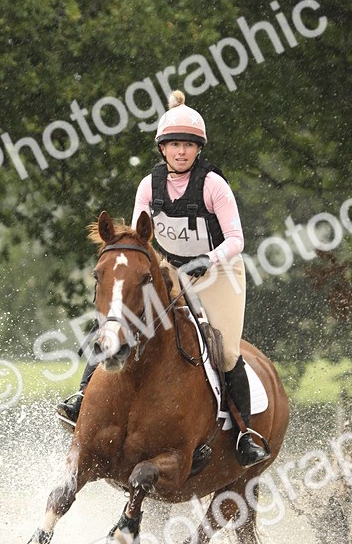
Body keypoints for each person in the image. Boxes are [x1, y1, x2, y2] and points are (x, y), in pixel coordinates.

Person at [58, 90, 269, 466]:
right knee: (120, 319)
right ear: (163, 149)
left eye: (188, 145)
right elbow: (139, 240)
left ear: (198, 149)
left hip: (219, 271)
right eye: (174, 145)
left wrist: (207, 259)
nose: (181, 152)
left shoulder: (213, 185)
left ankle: (243, 434)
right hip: (172, 268)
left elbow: (236, 240)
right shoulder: (148, 186)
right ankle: (83, 396)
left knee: (225, 352)